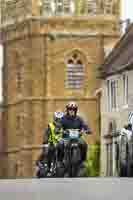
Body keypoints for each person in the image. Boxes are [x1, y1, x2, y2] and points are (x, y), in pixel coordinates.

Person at [36, 111, 64, 176]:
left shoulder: (64, 127)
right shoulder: (50, 126)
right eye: (57, 119)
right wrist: (45, 143)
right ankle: (46, 165)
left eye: (60, 119)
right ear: (54, 119)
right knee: (49, 151)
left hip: (62, 145)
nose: (59, 121)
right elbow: (46, 135)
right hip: (53, 144)